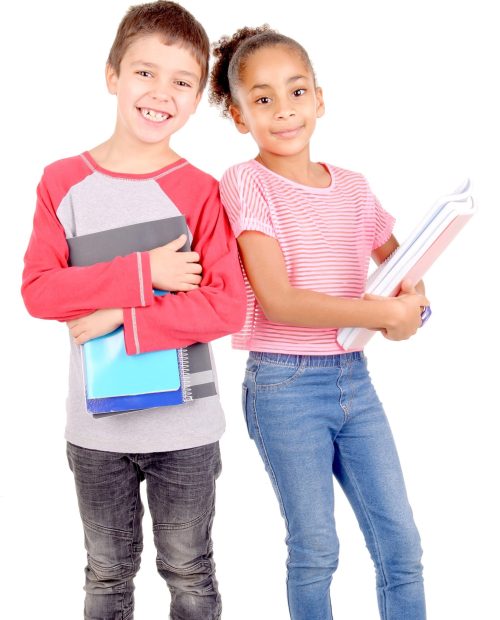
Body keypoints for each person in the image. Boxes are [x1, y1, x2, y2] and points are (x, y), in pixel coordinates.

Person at [21, 2, 245, 619]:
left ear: (198, 96)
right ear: (112, 74)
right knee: (106, 576)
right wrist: (147, 273)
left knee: (190, 573)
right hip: (95, 432)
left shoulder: (200, 190)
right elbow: (39, 290)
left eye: (182, 82)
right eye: (145, 73)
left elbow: (226, 305)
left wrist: (122, 315)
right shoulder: (62, 181)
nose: (161, 93)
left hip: (187, 429)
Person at [210, 25, 429, 620]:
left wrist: (415, 308)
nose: (284, 111)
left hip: (353, 379)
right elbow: (279, 299)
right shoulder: (246, 182)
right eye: (262, 99)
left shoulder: (354, 189)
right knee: (315, 550)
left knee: (401, 546)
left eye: (296, 91)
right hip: (284, 385)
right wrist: (384, 313)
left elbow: (405, 264)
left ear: (320, 99)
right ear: (238, 116)